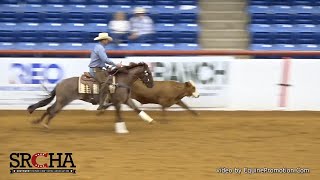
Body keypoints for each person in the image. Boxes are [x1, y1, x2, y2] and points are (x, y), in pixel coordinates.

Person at [89, 32, 120, 110]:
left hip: (97, 68)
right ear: (103, 40)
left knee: (109, 80)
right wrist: (116, 65)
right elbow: (105, 59)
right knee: (105, 83)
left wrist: (106, 67)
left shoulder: (98, 47)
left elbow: (101, 61)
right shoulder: (100, 48)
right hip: (95, 70)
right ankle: (101, 103)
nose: (108, 41)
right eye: (106, 40)